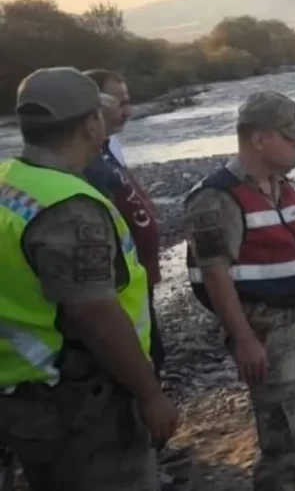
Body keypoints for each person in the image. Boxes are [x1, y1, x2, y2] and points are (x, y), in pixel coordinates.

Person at [0, 67, 179, 491]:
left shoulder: (12, 183)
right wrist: (150, 393)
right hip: (80, 406)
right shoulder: (70, 207)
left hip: (27, 392)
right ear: (90, 124)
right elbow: (94, 312)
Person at [182, 91, 295, 491]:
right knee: (284, 440)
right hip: (266, 327)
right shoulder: (217, 197)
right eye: (289, 136)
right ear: (258, 139)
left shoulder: (283, 186)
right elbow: (215, 273)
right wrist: (244, 338)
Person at [81, 70, 166, 376]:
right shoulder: (84, 163)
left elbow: (126, 188)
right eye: (121, 102)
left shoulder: (107, 148)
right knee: (136, 362)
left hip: (137, 282)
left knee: (152, 353)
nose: (127, 110)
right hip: (120, 290)